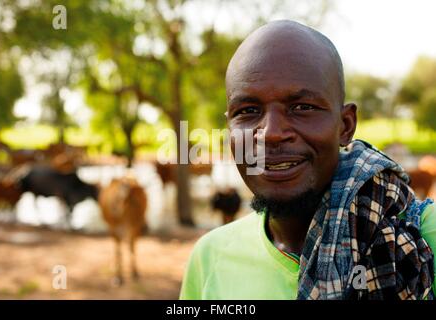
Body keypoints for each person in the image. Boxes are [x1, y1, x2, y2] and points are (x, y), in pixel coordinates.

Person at [179, 20, 436, 300]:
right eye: (248, 110)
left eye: (302, 107)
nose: (272, 134)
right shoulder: (210, 258)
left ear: (346, 125)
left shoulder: (422, 236)